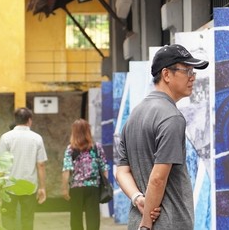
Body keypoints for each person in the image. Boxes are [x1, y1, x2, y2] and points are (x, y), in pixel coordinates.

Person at [116, 44, 209, 230]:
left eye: (193, 71)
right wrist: (147, 224)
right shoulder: (171, 118)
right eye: (187, 70)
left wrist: (137, 198)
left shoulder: (135, 115)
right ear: (166, 74)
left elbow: (121, 172)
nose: (193, 77)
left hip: (137, 221)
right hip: (167, 223)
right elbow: (158, 177)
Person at [0, 107, 48, 230]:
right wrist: (42, 188)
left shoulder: (6, 137)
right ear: (29, 120)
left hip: (9, 185)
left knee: (8, 217)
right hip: (29, 186)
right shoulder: (37, 138)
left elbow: (0, 164)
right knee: (27, 219)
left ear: (15, 120)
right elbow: (41, 165)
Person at [62, 119, 109, 230]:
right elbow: (104, 168)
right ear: (88, 131)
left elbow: (66, 170)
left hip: (76, 187)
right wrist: (105, 185)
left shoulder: (70, 149)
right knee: (93, 218)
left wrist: (64, 188)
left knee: (76, 218)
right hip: (93, 187)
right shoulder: (97, 147)